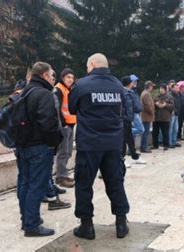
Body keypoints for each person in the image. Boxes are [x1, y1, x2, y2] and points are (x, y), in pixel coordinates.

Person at [69, 53, 130, 240]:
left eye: (88, 65)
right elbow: (125, 111)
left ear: (92, 64)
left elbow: (72, 109)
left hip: (89, 144)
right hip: (113, 144)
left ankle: (86, 226)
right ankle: (121, 223)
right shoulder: (118, 86)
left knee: (84, 184)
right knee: (115, 182)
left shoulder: (81, 85)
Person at [15, 62, 63, 237]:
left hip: (23, 145)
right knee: (37, 185)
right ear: (43, 75)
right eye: (52, 75)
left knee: (25, 183)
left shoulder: (25, 91)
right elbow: (48, 124)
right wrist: (53, 143)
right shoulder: (44, 94)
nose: (53, 78)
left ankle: (26, 219)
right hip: (39, 146)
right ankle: (32, 225)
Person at [53, 68, 76, 188]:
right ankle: (61, 177)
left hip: (71, 123)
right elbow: (57, 109)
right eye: (68, 77)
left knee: (68, 152)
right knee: (63, 152)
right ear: (62, 78)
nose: (71, 80)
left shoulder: (68, 89)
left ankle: (63, 174)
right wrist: (63, 124)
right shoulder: (58, 89)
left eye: (72, 78)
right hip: (64, 125)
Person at [122, 76, 146, 166]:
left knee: (129, 139)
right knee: (124, 140)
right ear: (129, 83)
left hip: (128, 119)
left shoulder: (129, 92)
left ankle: (135, 156)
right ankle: (123, 159)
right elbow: (133, 107)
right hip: (125, 119)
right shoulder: (126, 93)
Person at [153, 84, 174, 150]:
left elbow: (172, 106)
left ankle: (166, 145)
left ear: (165, 89)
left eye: (162, 89)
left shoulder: (169, 97)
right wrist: (156, 104)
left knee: (165, 132)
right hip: (157, 117)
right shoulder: (156, 96)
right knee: (155, 132)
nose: (161, 90)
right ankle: (155, 145)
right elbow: (152, 103)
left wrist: (165, 105)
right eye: (160, 88)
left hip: (165, 117)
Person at [140, 81, 155, 153]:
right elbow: (147, 106)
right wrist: (152, 112)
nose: (152, 88)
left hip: (145, 116)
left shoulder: (145, 93)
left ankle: (144, 146)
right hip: (146, 117)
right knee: (145, 133)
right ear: (149, 86)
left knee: (145, 132)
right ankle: (144, 147)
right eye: (152, 86)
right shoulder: (146, 94)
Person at [129, 74, 145, 139]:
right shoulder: (129, 91)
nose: (135, 83)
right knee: (141, 129)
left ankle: (132, 148)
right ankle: (125, 132)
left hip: (136, 113)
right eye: (134, 81)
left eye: (136, 81)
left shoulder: (135, 91)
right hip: (133, 113)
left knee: (133, 136)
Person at [169, 83, 182, 148]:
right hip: (173, 113)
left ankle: (174, 141)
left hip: (177, 113)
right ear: (172, 88)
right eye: (176, 88)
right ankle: (170, 142)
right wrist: (173, 110)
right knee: (171, 128)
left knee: (176, 128)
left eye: (178, 88)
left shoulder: (178, 94)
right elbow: (171, 103)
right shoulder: (170, 94)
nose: (178, 89)